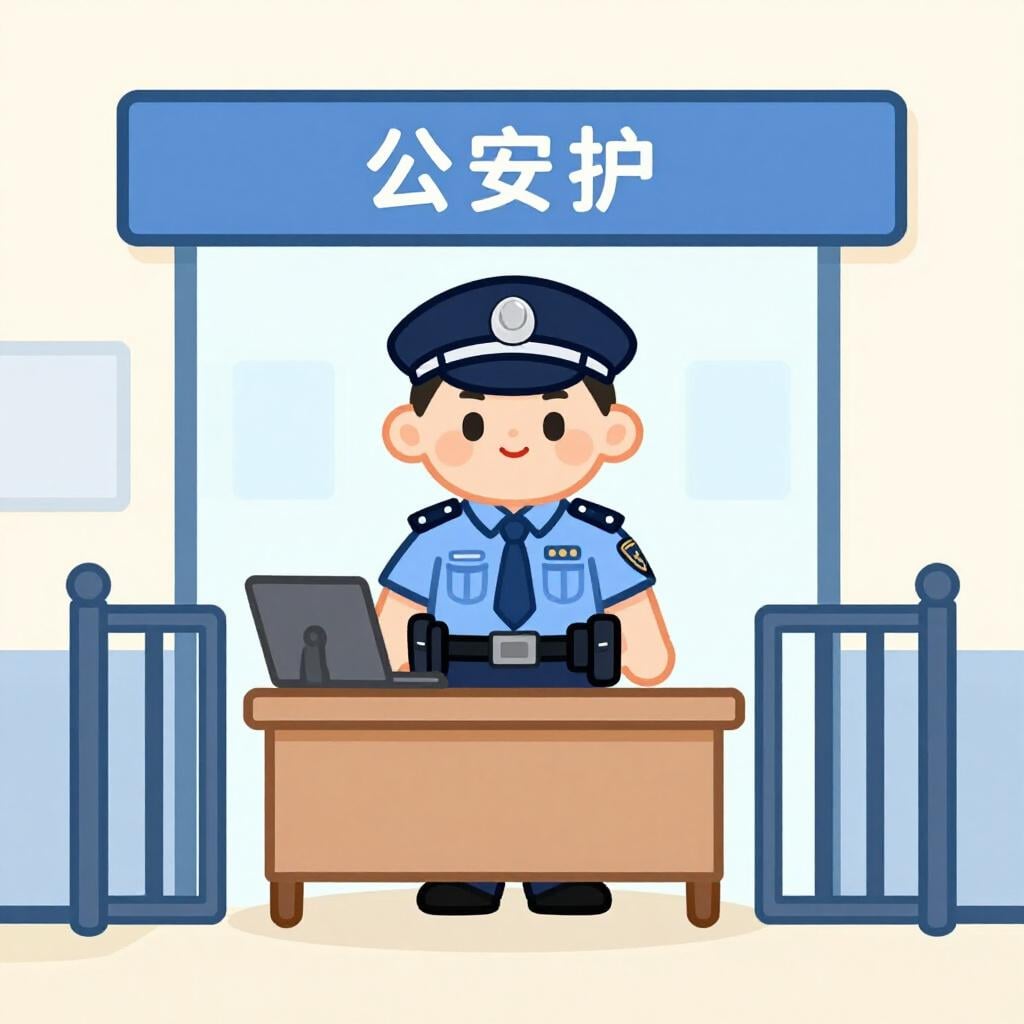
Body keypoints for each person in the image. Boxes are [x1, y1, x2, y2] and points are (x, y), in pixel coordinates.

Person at [376, 275, 675, 916]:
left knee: (562, 774)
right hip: (454, 687)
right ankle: (468, 870)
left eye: (553, 420)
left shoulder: (599, 539)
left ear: (615, 432)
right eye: (474, 420)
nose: (515, 442)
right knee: (463, 777)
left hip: (568, 685)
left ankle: (558, 870)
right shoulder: (433, 541)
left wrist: (640, 660)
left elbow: (648, 654)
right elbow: (387, 638)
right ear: (410, 433)